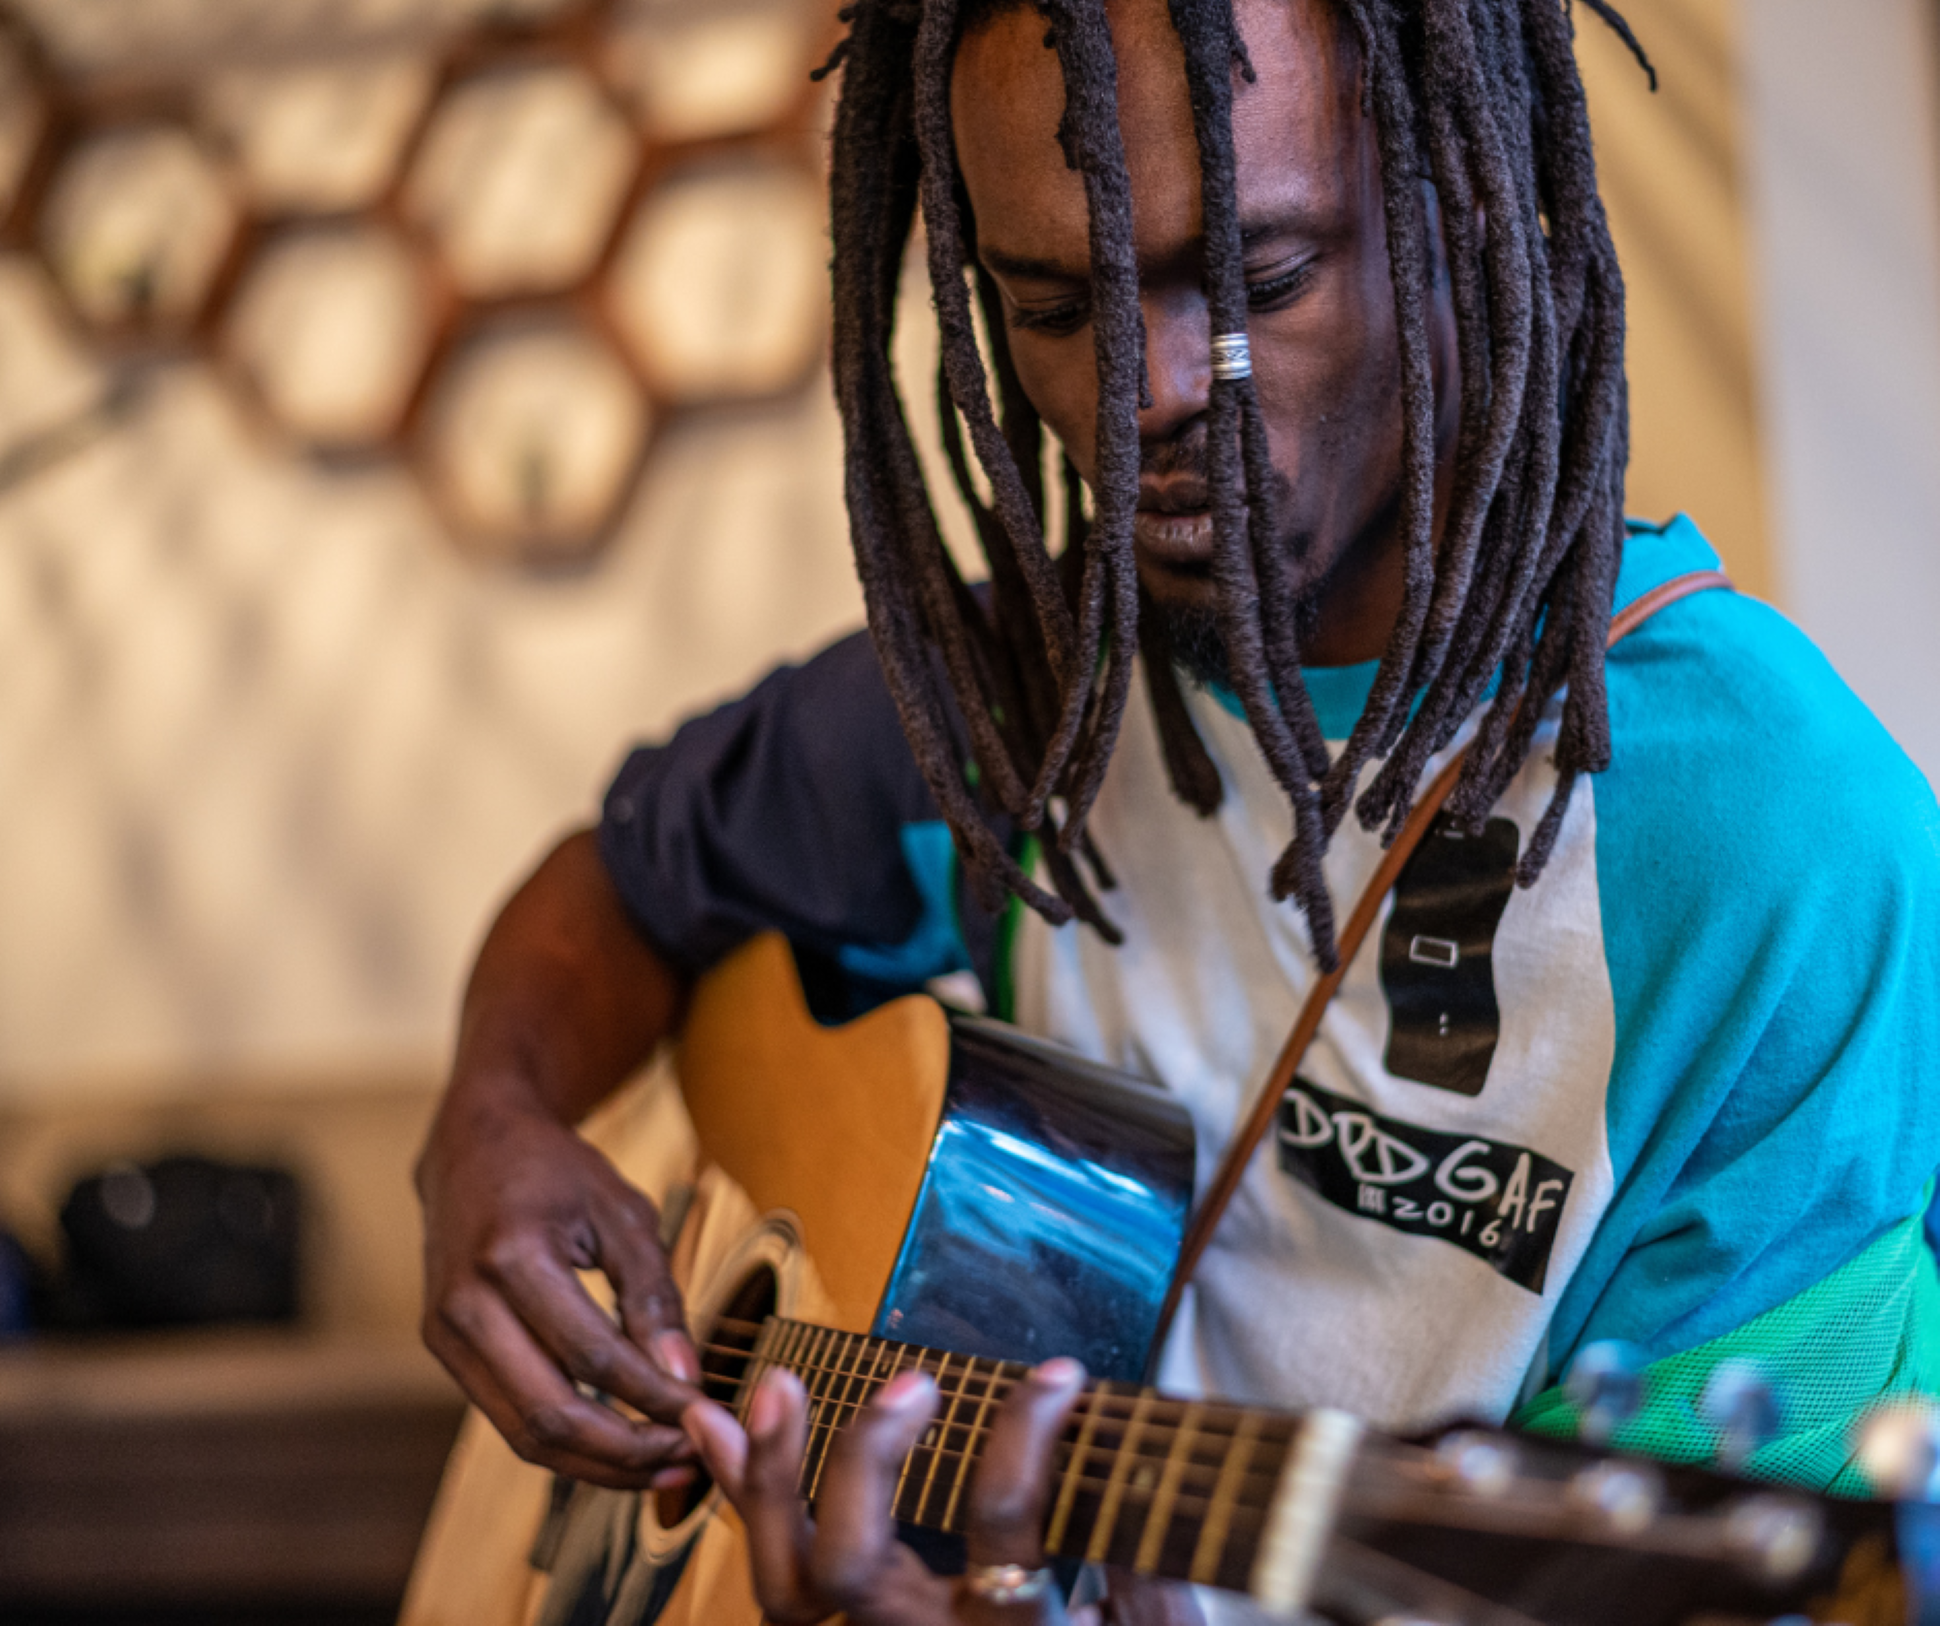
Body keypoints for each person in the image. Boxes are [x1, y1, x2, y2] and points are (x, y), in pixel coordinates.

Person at [415, 0, 1940, 1618]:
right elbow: (634, 878)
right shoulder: (1017, 693)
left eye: (1264, 278)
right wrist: (489, 1122)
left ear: (1465, 209)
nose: (1146, 401)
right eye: (1055, 306)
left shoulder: (1776, 839)